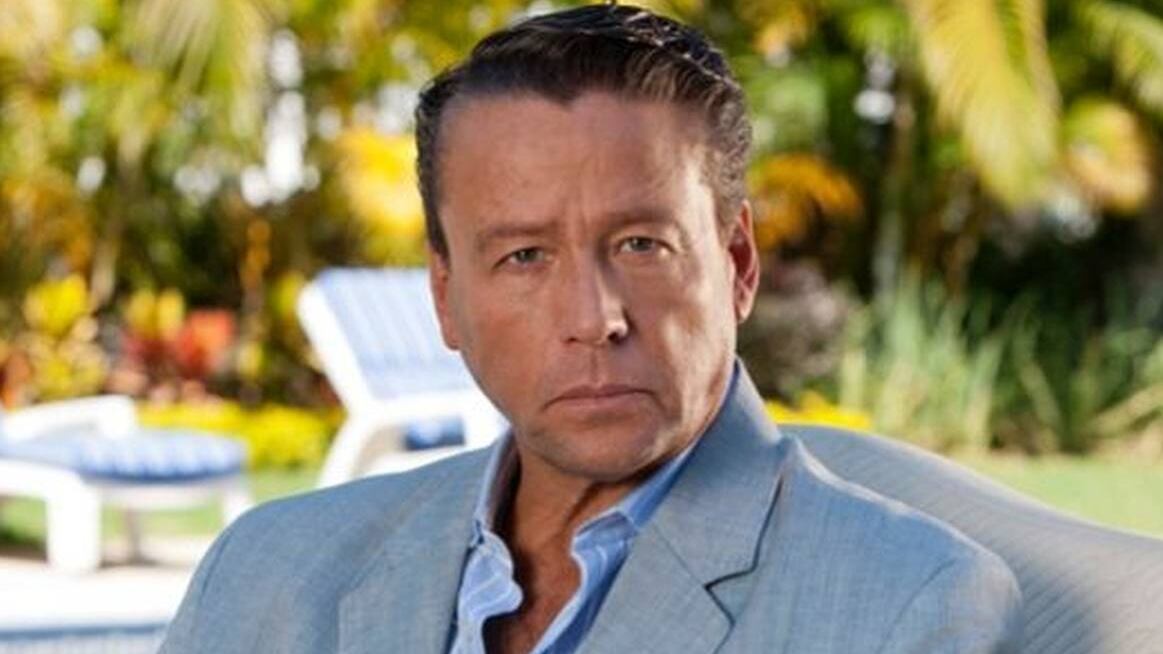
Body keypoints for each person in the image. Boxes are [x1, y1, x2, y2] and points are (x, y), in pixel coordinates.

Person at [160, 5, 1021, 653]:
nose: (594, 318)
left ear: (736, 264)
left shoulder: (910, 604)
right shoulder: (267, 570)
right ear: (445, 295)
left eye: (641, 245)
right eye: (525, 256)